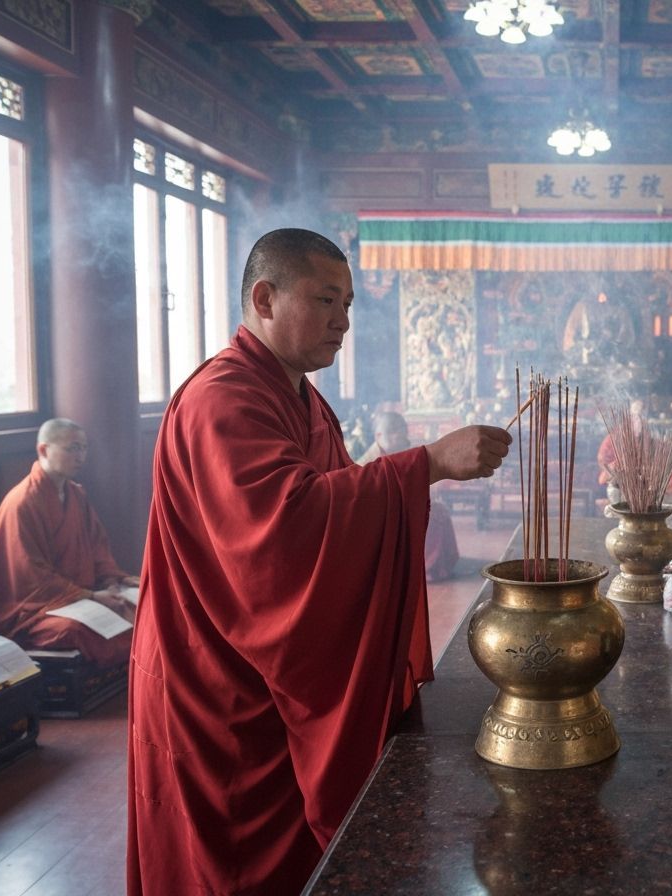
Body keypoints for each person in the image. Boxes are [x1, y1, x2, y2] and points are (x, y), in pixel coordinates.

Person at [126, 229, 510, 895]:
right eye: (326, 300)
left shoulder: (301, 394)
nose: (343, 322)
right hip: (219, 679)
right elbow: (284, 532)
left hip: (271, 670)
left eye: (350, 305)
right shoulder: (225, 398)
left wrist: (410, 476)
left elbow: (333, 514)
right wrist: (429, 464)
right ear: (264, 298)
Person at [0, 418, 137, 666]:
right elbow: (30, 576)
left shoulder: (76, 494)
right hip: (38, 609)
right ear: (44, 450)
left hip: (83, 597)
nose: (81, 456)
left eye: (84, 448)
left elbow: (97, 548)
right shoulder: (22, 503)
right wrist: (89, 595)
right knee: (74, 630)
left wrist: (114, 581)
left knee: (136, 605)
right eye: (73, 448)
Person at [357, 410, 460, 582]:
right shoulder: (368, 461)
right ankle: (426, 568)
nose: (399, 435)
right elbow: (371, 494)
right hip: (378, 514)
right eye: (394, 431)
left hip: (398, 506)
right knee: (433, 516)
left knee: (438, 511)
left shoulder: (396, 451)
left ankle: (439, 566)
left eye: (401, 430)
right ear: (378, 434)